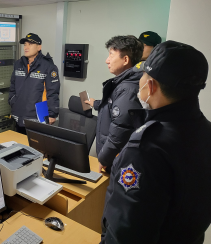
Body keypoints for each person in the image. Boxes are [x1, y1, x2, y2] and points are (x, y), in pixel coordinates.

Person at [100, 40, 211, 244]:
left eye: (143, 76)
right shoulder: (205, 130)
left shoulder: (146, 148)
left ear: (150, 85)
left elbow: (126, 231)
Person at [85, 35, 143, 172]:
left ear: (125, 60)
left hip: (116, 160)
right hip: (113, 158)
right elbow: (113, 107)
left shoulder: (128, 89)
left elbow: (120, 129)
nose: (107, 60)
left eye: (111, 55)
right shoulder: (123, 84)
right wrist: (96, 103)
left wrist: (104, 158)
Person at [9, 33, 60, 134]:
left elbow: (53, 92)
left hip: (37, 115)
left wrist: (52, 114)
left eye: (30, 44)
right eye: (25, 45)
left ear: (39, 47)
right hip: (19, 113)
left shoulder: (48, 66)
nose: (26, 47)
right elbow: (12, 86)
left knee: (35, 146)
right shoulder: (18, 64)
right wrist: (12, 101)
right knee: (18, 144)